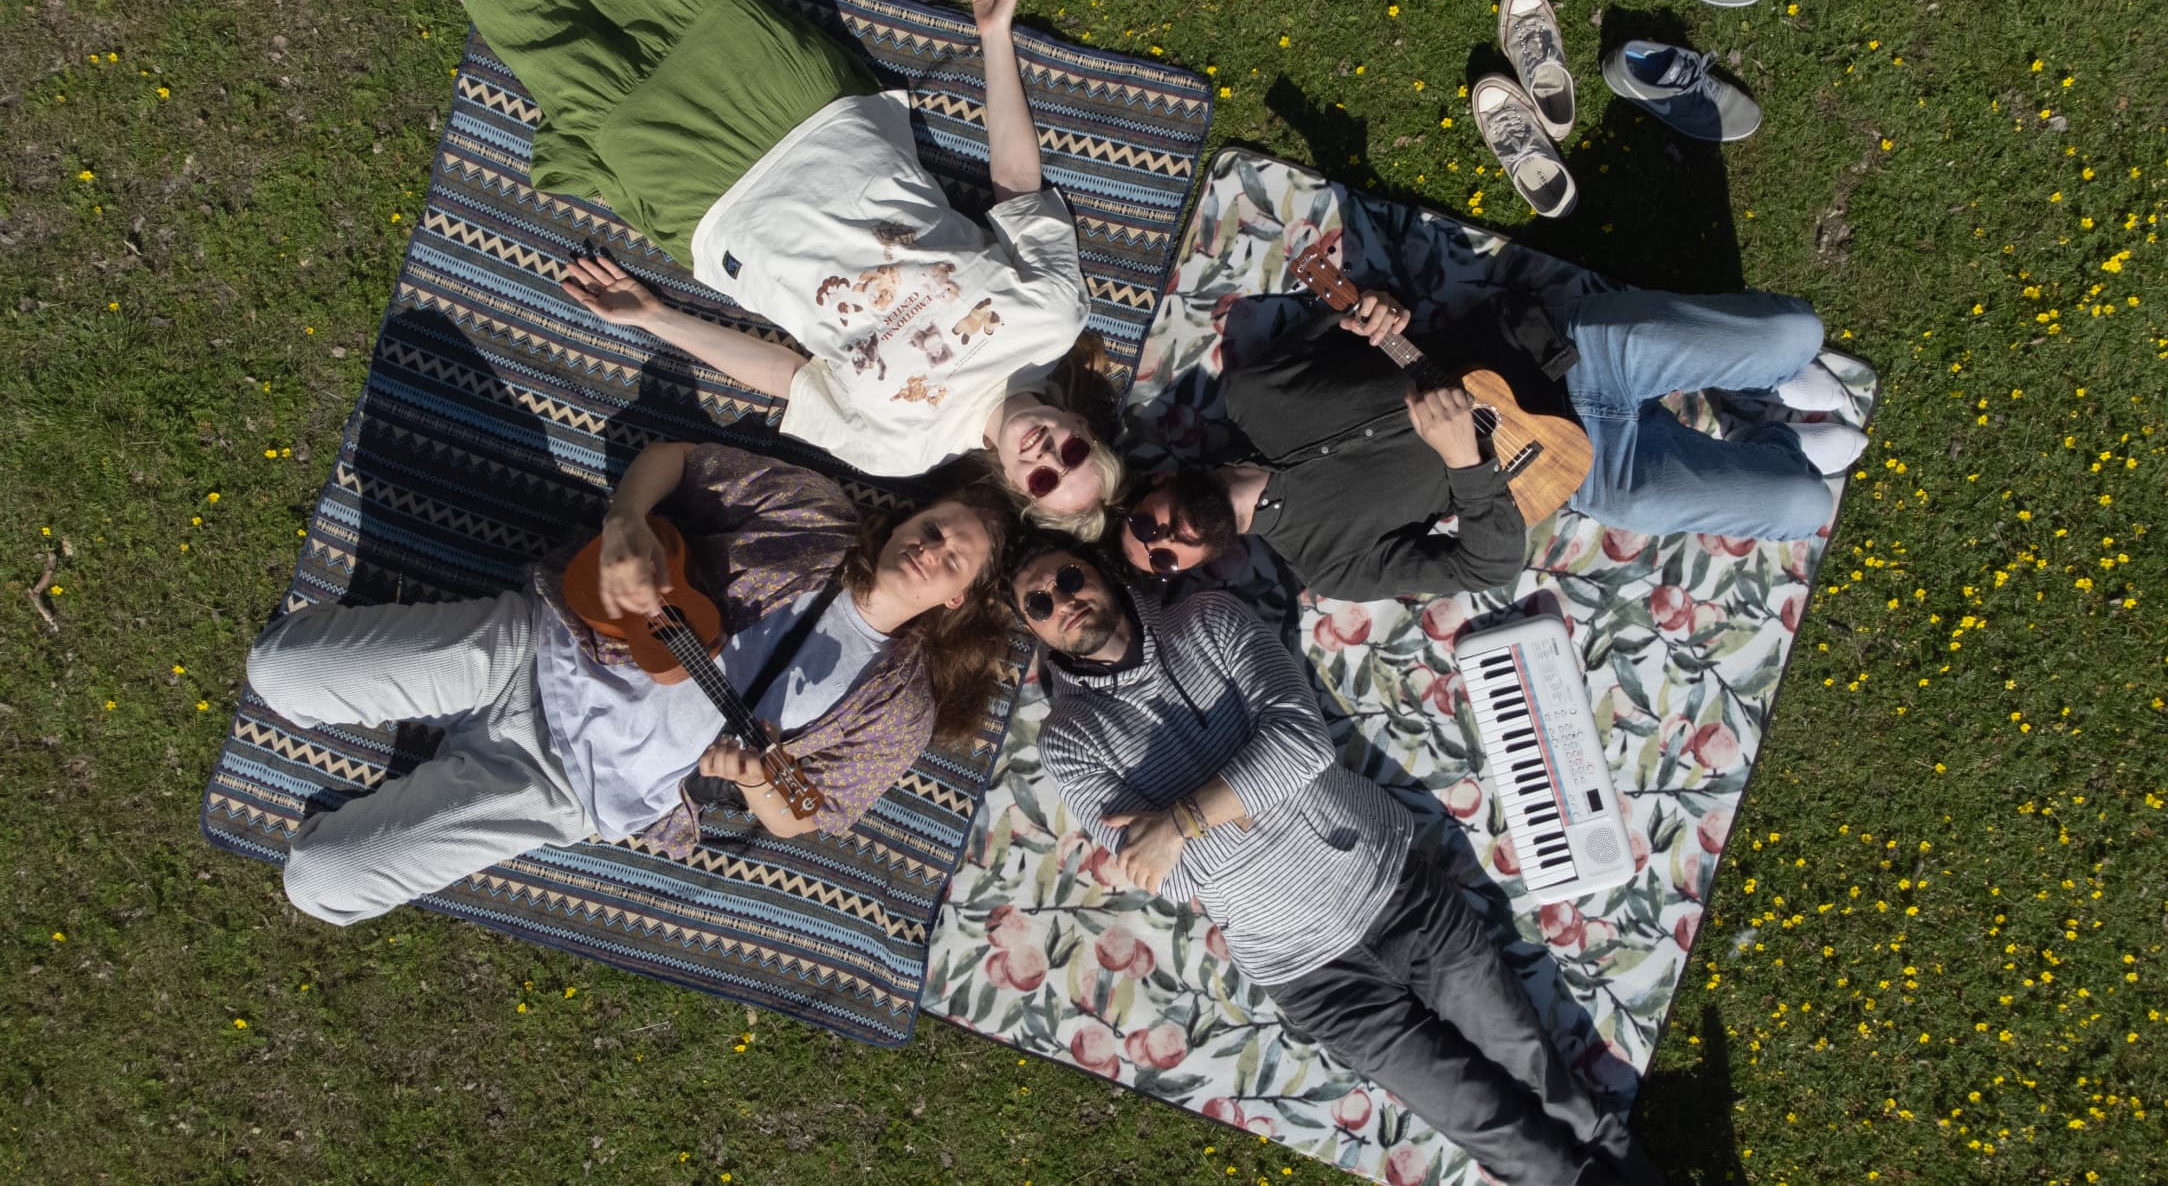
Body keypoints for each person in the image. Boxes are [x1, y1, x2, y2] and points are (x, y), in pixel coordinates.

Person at [272, 0, 1120, 533]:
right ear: (1081, 426)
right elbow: (1016, 184)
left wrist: (655, 318)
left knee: (564, 65)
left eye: (1045, 480)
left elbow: (788, 376)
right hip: (819, 125)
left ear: (1015, 490)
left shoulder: (903, 450)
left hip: (719, 216)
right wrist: (994, 34)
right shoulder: (1054, 317)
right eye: (1074, 452)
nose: (1048, 454)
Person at [1010, 537, 1663, 1186]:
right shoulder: (1068, 741)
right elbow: (1174, 876)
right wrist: (1246, 781)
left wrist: (1179, 822)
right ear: (1034, 630)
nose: (1061, 601)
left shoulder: (1207, 619)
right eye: (1038, 603)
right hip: (1310, 977)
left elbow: (1302, 743)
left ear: (1101, 570)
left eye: (1067, 577)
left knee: (1532, 1062)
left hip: (1391, 887)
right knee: (1485, 1125)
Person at [247, 440, 1013, 926]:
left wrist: (754, 781)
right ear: (907, 518)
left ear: (958, 600)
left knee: (320, 883)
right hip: (538, 647)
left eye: (953, 559)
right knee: (276, 667)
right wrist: (626, 520)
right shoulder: (814, 515)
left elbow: (801, 817)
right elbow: (672, 460)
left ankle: (412, 785)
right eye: (933, 528)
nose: (931, 549)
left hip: (571, 788)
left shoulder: (899, 708)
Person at [1120, 284, 1867, 596]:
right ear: (1192, 567)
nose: (1166, 540)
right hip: (1573, 467)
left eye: (1146, 527)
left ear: (1155, 483)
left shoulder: (1253, 392)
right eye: (1162, 560)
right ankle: (1765, 432)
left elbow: (1362, 309)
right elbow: (1489, 567)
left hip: (1564, 353)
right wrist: (1464, 464)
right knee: (1802, 506)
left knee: (1796, 332)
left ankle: (1760, 378)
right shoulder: (1330, 567)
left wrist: (1374, 309)